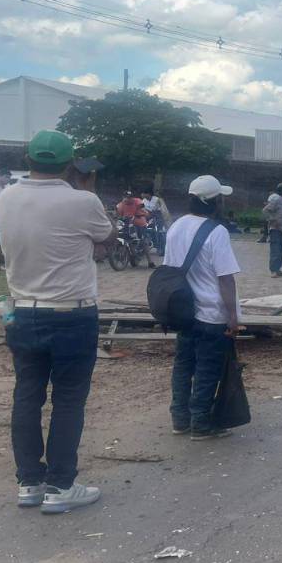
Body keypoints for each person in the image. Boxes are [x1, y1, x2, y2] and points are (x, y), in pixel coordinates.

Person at [0, 130, 116, 513]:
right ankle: (61, 486)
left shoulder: (7, 196)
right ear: (70, 163)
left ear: (28, 159)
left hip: (22, 311)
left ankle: (29, 481)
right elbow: (106, 240)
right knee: (68, 400)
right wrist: (84, 187)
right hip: (72, 313)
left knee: (26, 396)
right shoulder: (83, 200)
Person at [165, 176, 242, 440]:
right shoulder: (216, 231)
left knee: (183, 366)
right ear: (213, 201)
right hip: (211, 313)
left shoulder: (176, 226)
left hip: (184, 312)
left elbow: (170, 270)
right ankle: (201, 423)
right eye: (220, 198)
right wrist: (233, 316)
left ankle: (180, 419)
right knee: (208, 370)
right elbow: (225, 278)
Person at [115, 190, 155, 268]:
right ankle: (133, 256)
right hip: (127, 224)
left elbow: (143, 210)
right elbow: (118, 215)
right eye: (126, 197)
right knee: (127, 239)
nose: (128, 199)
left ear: (132, 198)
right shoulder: (121, 205)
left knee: (143, 242)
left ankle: (150, 262)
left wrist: (140, 213)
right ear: (123, 197)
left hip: (139, 223)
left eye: (130, 197)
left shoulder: (138, 202)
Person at [262, 182, 282, 278]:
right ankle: (273, 270)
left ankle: (278, 269)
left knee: (281, 250)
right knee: (275, 250)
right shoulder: (277, 200)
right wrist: (272, 220)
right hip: (276, 229)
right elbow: (265, 210)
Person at [141, 185, 170, 257]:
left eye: (144, 193)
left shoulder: (157, 200)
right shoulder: (144, 201)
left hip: (158, 218)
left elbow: (163, 211)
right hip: (148, 218)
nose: (143, 195)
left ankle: (162, 249)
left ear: (148, 194)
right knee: (147, 231)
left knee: (160, 232)